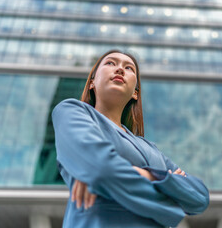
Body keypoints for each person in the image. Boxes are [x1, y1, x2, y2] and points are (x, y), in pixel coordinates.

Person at [52, 50, 210, 228]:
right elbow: (101, 169)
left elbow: (200, 197)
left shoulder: (150, 148)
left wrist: (147, 175)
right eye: (110, 63)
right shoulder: (72, 111)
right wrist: (171, 192)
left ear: (135, 93)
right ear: (92, 83)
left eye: (129, 68)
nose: (119, 69)